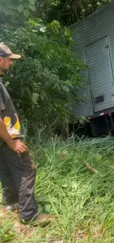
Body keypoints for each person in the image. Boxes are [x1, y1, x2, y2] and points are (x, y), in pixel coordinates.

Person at [0, 43, 52, 225]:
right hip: (8, 138)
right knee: (27, 170)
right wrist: (12, 142)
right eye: (9, 59)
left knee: (6, 169)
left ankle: (12, 203)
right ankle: (29, 215)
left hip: (2, 139)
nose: (11, 63)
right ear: (0, 59)